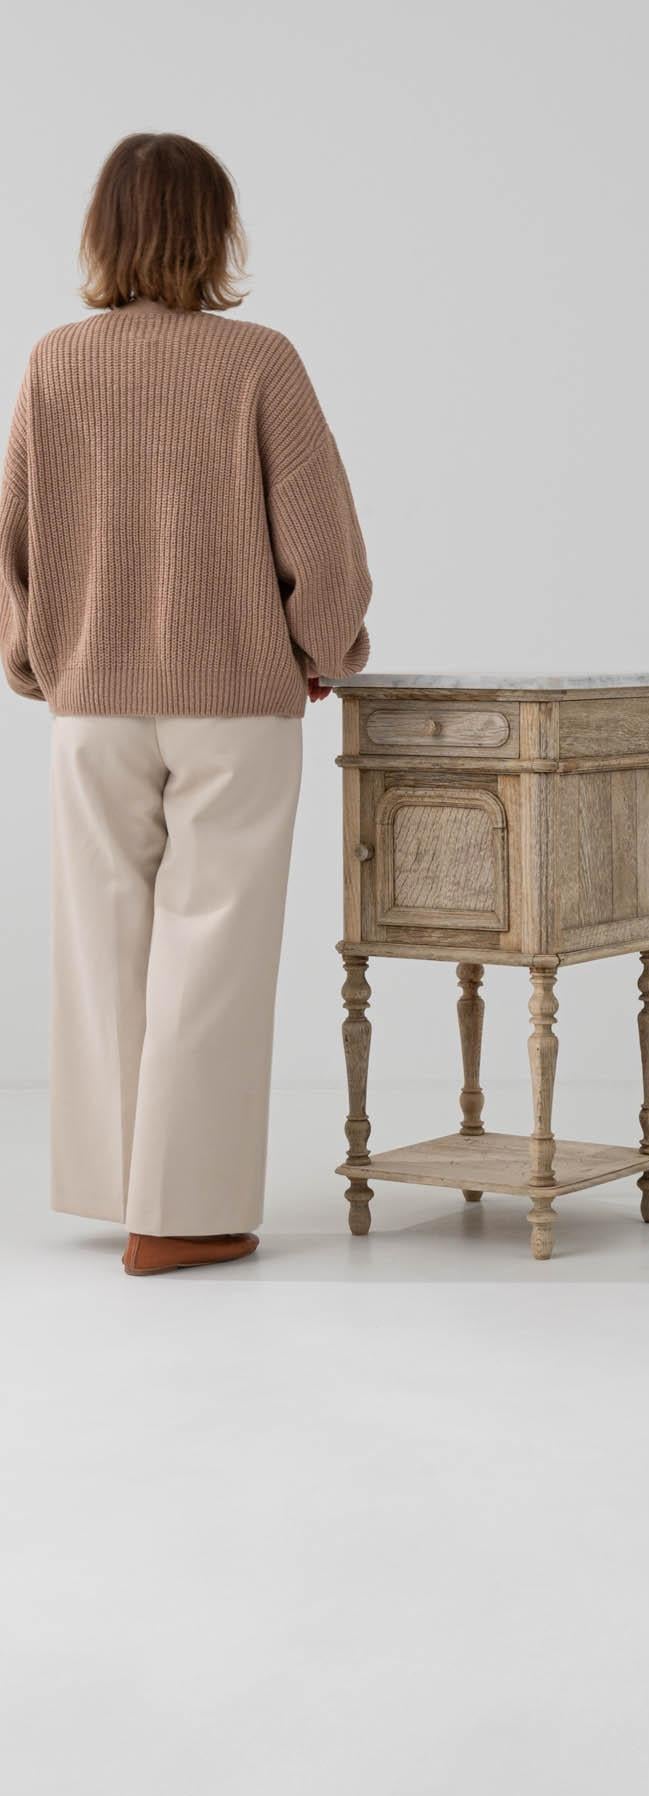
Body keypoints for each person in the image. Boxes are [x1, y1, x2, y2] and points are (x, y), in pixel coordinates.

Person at [0, 132, 371, 1275]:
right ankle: (185, 1212)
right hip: (235, 705)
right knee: (212, 948)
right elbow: (326, 554)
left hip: (95, 705)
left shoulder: (56, 362)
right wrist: (326, 650)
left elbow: (13, 542)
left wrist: (37, 663)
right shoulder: (259, 361)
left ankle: (121, 1189)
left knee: (103, 942)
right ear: (216, 233)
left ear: (102, 231)